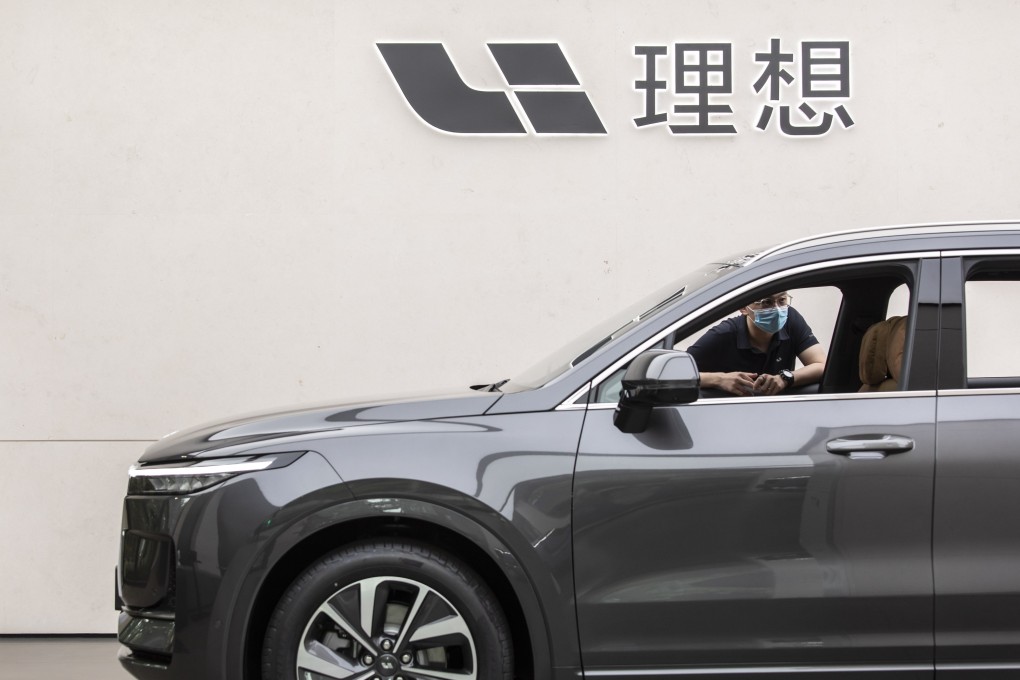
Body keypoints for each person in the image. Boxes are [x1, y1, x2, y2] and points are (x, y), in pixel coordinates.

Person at [686, 292, 826, 396]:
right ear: (744, 308)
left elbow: (821, 365)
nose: (777, 309)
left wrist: (785, 378)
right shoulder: (722, 334)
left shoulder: (791, 320)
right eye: (766, 302)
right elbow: (677, 374)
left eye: (782, 300)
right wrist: (719, 379)